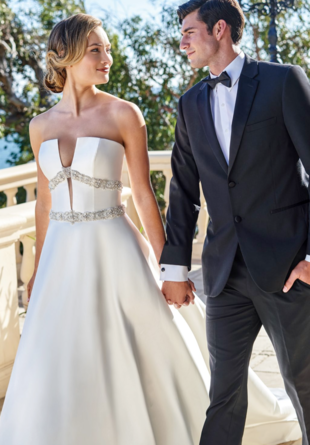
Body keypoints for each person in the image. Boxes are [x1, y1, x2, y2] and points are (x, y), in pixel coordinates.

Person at [0, 12, 301, 445]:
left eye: (108, 49)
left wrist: (170, 268)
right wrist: (36, 269)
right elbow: (45, 205)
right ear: (65, 57)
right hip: (61, 259)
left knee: (137, 351)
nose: (107, 58)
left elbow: (144, 194)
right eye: (95, 50)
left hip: (115, 248)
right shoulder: (39, 126)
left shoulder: (125, 114)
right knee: (59, 361)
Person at [160, 0, 310, 444]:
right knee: (223, 394)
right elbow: (183, 192)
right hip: (224, 274)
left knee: (304, 386)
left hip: (287, 269)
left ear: (219, 28)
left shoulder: (283, 81)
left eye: (190, 31)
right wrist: (174, 269)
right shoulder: (189, 105)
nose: (182, 41)